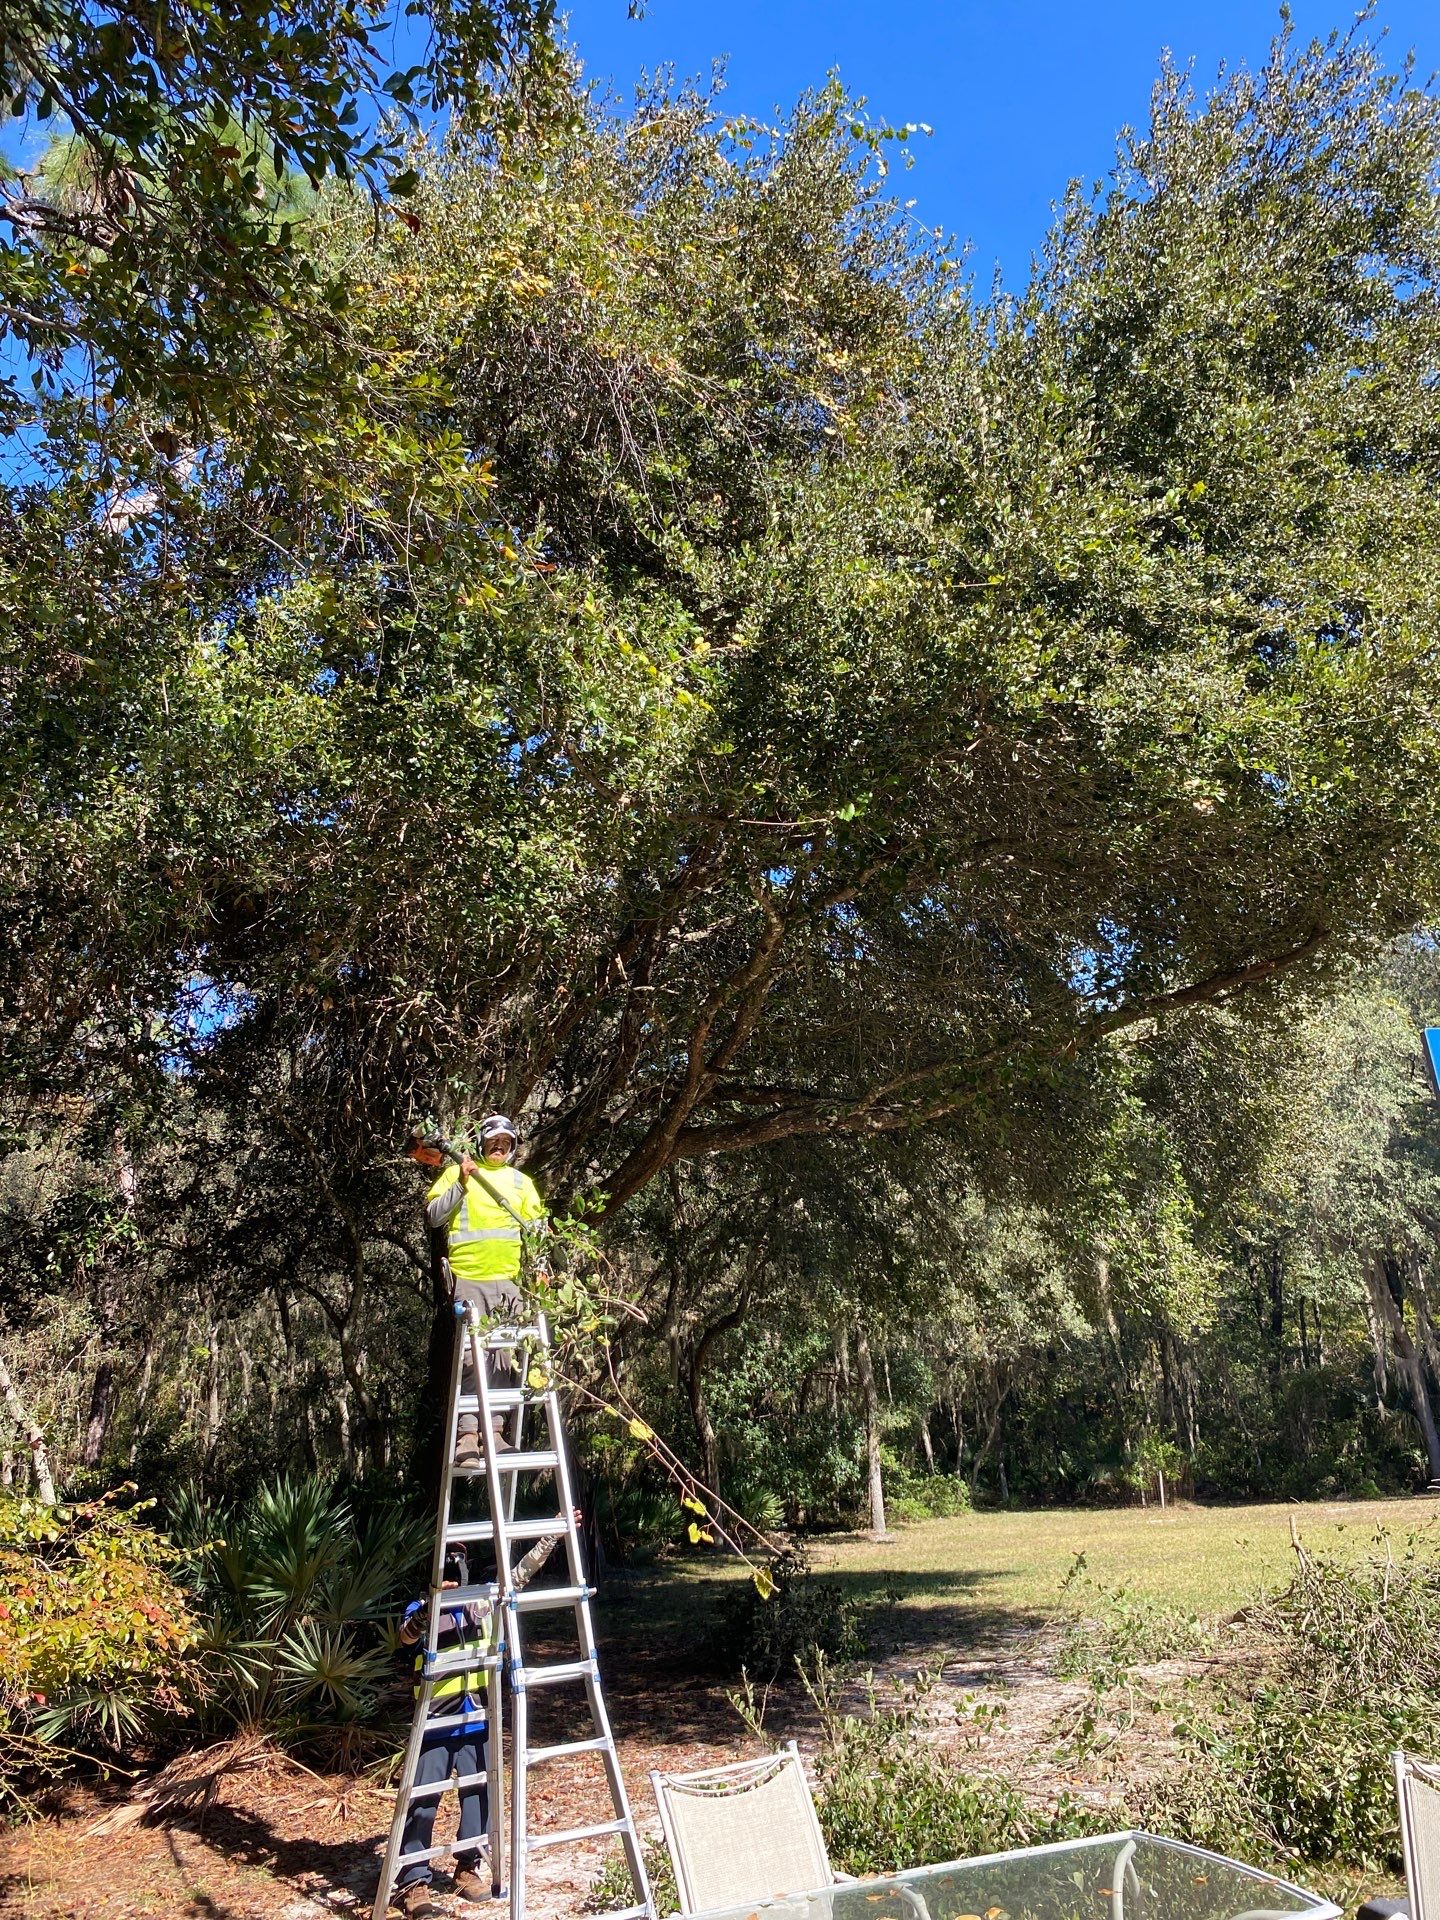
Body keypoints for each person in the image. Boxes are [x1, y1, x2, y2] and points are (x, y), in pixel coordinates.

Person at [424, 1114, 547, 1467]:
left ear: (513, 1147)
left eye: (506, 1142)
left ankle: (494, 1432)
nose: (500, 1146)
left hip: (509, 1283)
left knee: (502, 1358)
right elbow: (434, 1216)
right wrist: (462, 1183)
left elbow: (537, 1228)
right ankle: (467, 1436)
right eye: (494, 1140)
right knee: (470, 1357)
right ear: (481, 1143)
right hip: (468, 1279)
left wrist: (541, 1266)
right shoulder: (457, 1172)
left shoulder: (521, 1183)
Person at [392, 1545, 491, 1917]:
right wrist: (431, 1607)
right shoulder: (421, 1608)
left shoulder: (479, 1604)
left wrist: (553, 1533)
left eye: (459, 1562)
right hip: (435, 1723)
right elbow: (405, 1637)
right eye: (448, 1562)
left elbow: (519, 1577)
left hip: (476, 1718)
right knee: (422, 1801)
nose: (454, 1570)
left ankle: (468, 1866)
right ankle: (413, 1881)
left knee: (479, 1795)